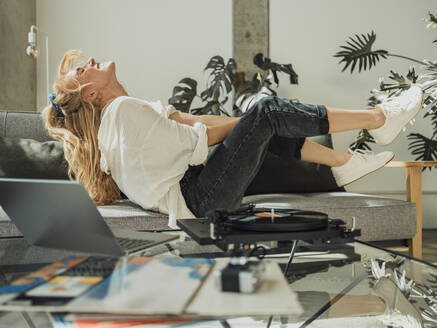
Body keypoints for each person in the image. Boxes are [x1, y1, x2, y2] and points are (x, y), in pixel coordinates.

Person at [42, 50, 425, 228]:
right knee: (267, 112)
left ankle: (342, 166)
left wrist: (247, 124)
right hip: (198, 197)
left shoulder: (123, 116)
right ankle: (380, 118)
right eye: (80, 72)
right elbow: (199, 137)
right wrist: (253, 120)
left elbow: (194, 122)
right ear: (91, 95)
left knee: (261, 120)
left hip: (196, 194)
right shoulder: (122, 111)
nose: (85, 63)